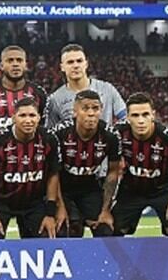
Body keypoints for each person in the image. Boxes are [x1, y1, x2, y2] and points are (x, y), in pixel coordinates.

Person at [0, 96, 64, 239]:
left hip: (34, 203)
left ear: (39, 118)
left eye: (32, 115)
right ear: (13, 118)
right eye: (22, 115)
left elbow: (53, 175)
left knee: (47, 236)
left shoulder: (49, 139)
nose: (28, 120)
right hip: (2, 201)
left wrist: (50, 213)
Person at [112, 93, 168, 236]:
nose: (141, 120)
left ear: (153, 115)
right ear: (128, 117)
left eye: (145, 114)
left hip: (163, 190)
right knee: (112, 230)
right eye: (135, 115)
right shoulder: (118, 132)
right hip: (131, 191)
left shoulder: (167, 136)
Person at [49, 90, 122, 237]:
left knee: (106, 230)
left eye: (95, 108)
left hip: (90, 188)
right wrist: (60, 206)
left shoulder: (111, 136)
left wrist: (105, 210)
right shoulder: (59, 134)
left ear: (101, 111)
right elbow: (52, 172)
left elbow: (113, 172)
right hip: (63, 188)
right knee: (67, 229)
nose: (91, 113)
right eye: (85, 108)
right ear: (75, 112)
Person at [45, 43, 126, 128]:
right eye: (70, 62)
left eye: (79, 61)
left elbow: (125, 118)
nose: (75, 65)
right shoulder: (55, 99)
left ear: (86, 64)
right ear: (62, 67)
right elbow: (51, 133)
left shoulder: (107, 89)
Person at [0, 45, 47, 133]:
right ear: (1, 66)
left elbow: (44, 127)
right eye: (10, 60)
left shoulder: (39, 93)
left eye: (19, 60)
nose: (15, 64)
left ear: (25, 65)